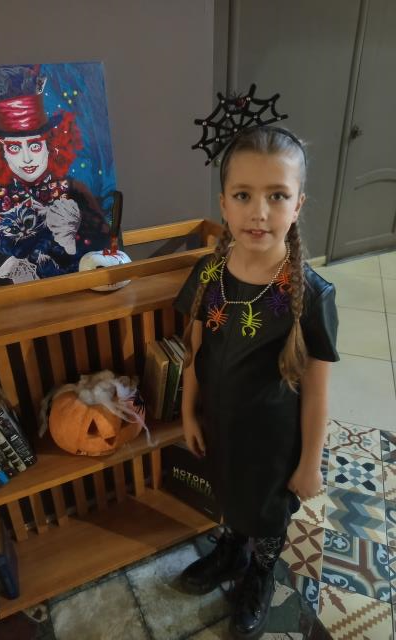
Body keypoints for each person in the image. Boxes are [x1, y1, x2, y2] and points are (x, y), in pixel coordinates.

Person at [174, 125, 338, 639]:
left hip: (274, 442)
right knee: (229, 494)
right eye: (243, 195)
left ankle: (261, 570)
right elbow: (196, 349)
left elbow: (317, 390)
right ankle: (230, 549)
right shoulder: (208, 274)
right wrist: (188, 411)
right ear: (224, 202)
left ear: (298, 204)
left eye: (277, 196)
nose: (258, 212)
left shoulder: (311, 295)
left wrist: (309, 463)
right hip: (221, 427)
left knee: (266, 511)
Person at [0, 65, 109, 286]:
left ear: (50, 146)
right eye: (14, 148)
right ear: (1, 152)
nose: (27, 159)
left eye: (34, 145)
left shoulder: (75, 192)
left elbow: (105, 246)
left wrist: (73, 239)